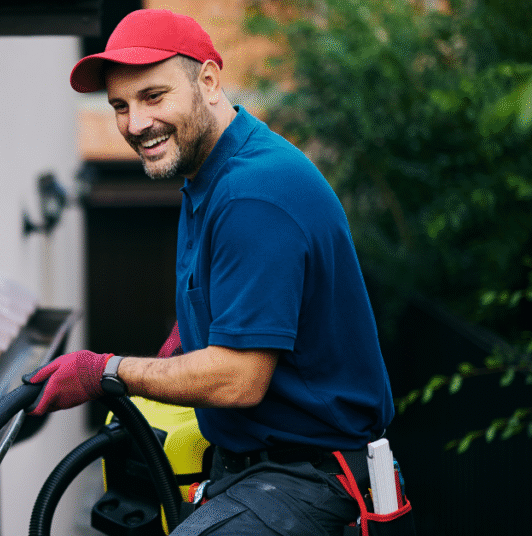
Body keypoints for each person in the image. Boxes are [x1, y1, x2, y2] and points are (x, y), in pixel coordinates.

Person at [26, 9, 397, 536]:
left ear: (208, 80)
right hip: (257, 467)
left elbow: (239, 379)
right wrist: (178, 346)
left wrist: (105, 371)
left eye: (154, 96)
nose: (135, 124)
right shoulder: (211, 174)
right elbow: (226, 301)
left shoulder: (254, 193)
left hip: (309, 480)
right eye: (119, 106)